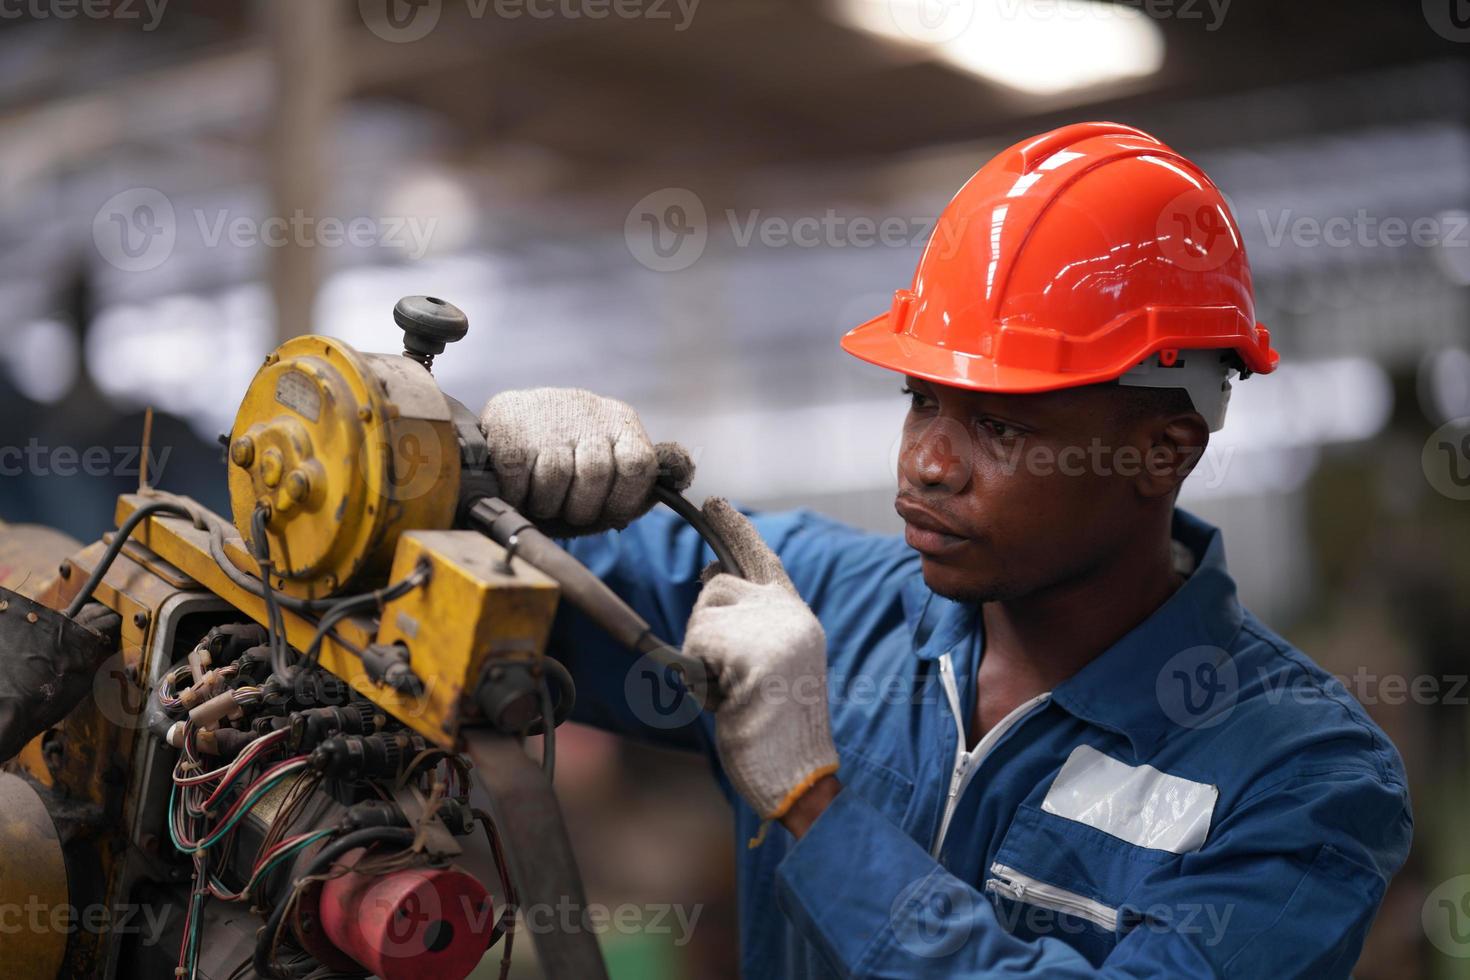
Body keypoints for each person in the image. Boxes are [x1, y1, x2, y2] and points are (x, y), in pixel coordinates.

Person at [480, 122, 1409, 978]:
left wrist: (815, 806)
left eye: (1000, 425)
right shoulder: (814, 600)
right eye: (921, 399)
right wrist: (485, 463)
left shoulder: (1303, 778)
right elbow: (478, 586)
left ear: (1162, 451)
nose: (926, 464)